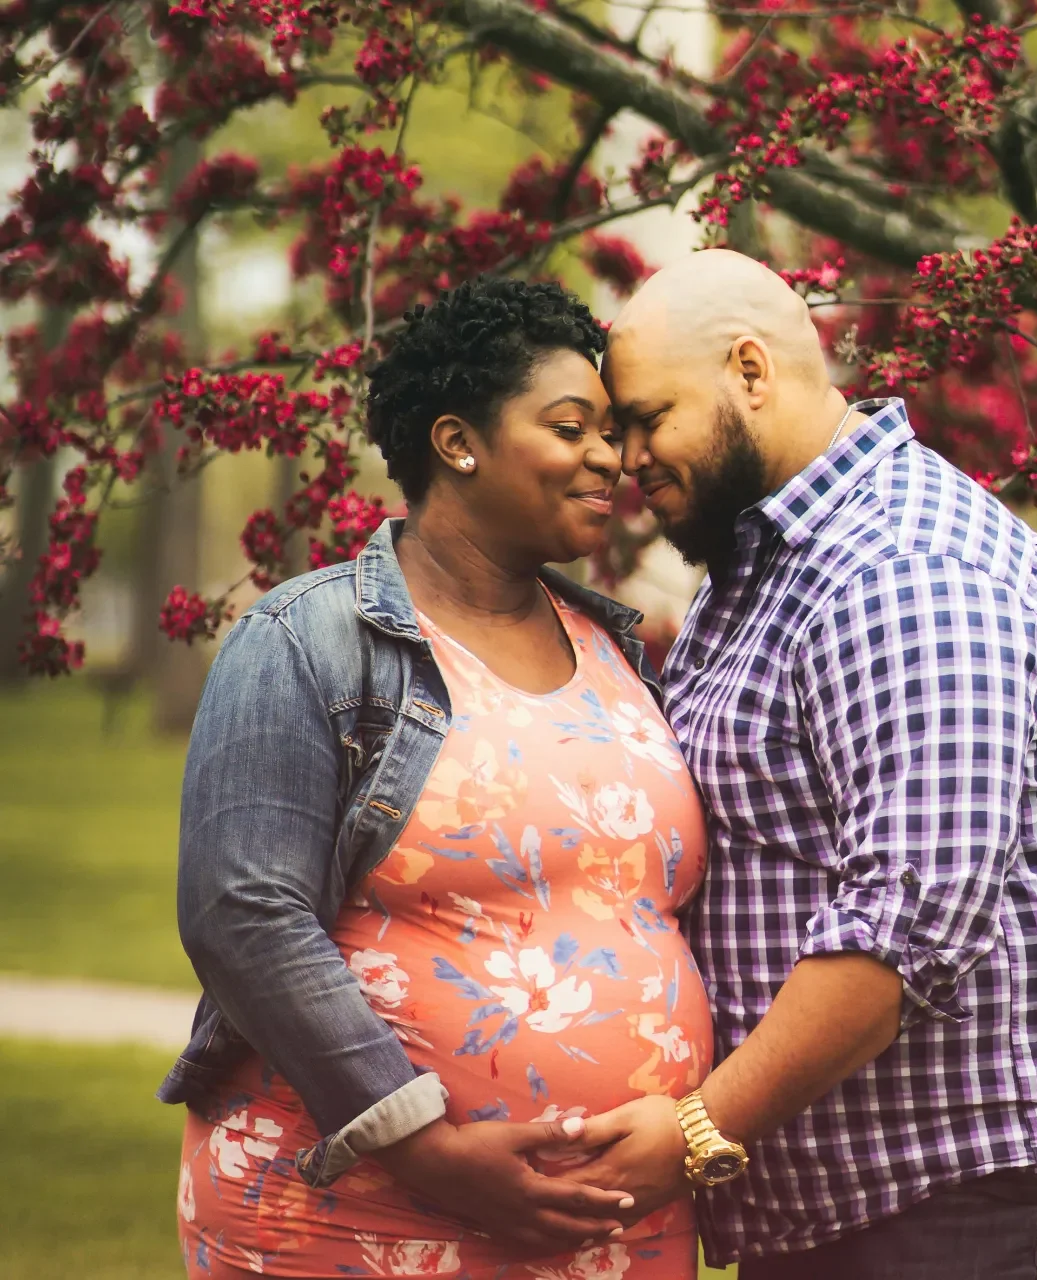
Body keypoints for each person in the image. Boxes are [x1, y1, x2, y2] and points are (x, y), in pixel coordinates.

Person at [560, 250, 1037, 1280]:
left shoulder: (901, 565)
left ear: (749, 373)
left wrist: (690, 1128)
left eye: (645, 416)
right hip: (887, 1206)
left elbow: (902, 927)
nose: (625, 456)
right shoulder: (772, 563)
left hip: (982, 1203)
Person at [159, 277, 713, 1279]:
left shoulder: (621, 652)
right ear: (457, 442)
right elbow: (242, 911)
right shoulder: (308, 639)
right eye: (571, 425)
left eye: (613, 428)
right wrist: (421, 1142)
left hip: (608, 1232)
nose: (611, 456)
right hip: (357, 1213)